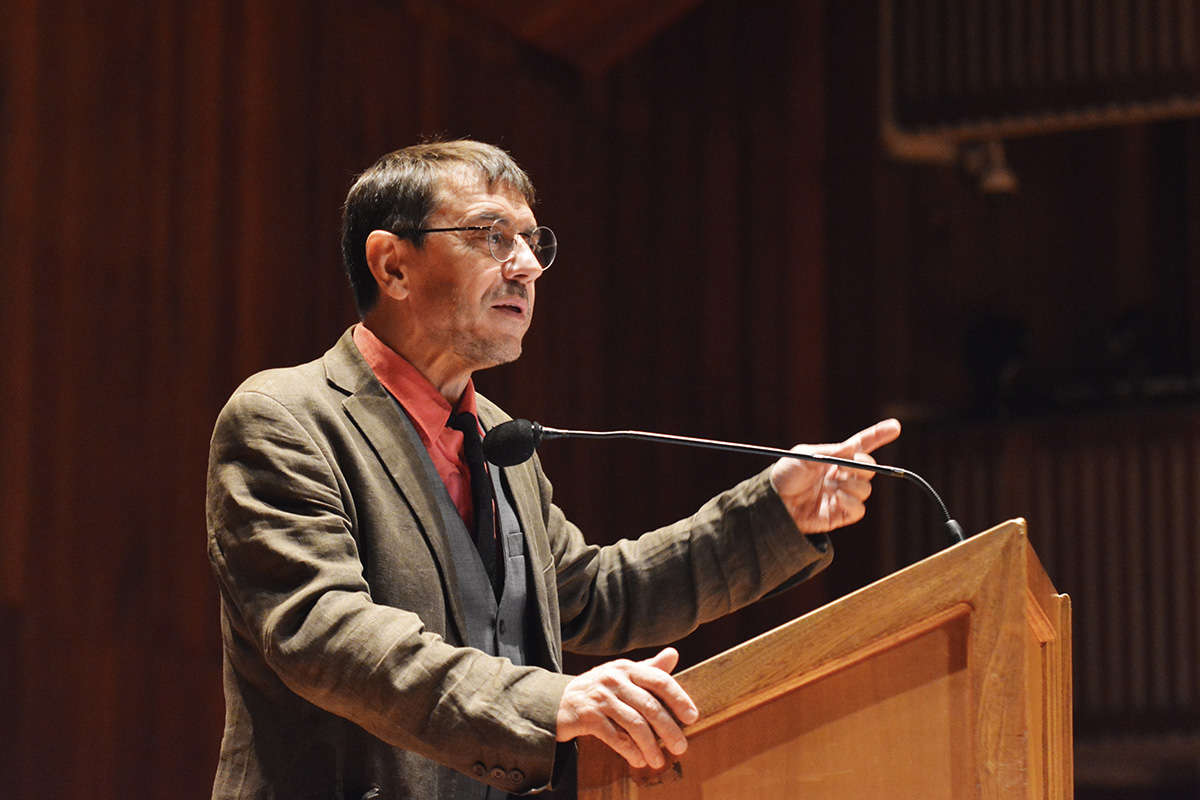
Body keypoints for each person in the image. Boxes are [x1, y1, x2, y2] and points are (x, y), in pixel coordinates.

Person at [206, 139, 900, 800]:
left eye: (533, 242)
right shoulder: (287, 418)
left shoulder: (498, 440)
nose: (528, 266)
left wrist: (778, 513)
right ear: (393, 266)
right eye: (491, 235)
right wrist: (553, 700)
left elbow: (596, 595)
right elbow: (323, 632)